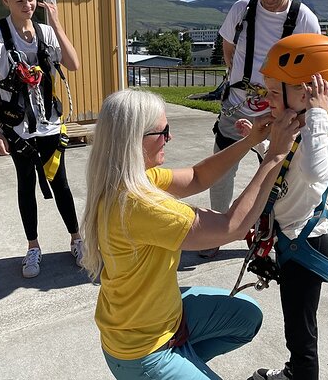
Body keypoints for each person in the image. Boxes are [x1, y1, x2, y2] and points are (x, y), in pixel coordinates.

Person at [80, 88, 301, 379]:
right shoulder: (140, 206)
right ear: (135, 140)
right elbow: (232, 226)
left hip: (161, 319)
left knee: (247, 317)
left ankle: (184, 362)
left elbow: (199, 177)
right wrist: (276, 155)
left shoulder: (135, 179)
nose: (169, 137)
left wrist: (252, 140)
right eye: (163, 131)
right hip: (144, 353)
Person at [201, 0, 321, 258]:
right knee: (222, 169)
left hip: (280, 113)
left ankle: (266, 236)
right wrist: (241, 81)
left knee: (276, 176)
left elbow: (314, 69)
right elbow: (229, 48)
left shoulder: (305, 19)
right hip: (238, 106)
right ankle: (215, 233)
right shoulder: (242, 9)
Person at [239, 33, 328, 380]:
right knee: (293, 324)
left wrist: (317, 113)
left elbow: (313, 169)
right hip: (289, 241)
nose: (266, 98)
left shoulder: (322, 136)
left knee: (302, 332)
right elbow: (285, 166)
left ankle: (301, 373)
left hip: (306, 245)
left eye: (273, 91)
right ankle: (294, 371)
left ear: (304, 93)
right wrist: (258, 141)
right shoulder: (297, 130)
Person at [0, 0, 82, 278]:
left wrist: (56, 23)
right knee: (26, 184)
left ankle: (77, 240)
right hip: (17, 128)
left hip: (49, 124)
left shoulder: (44, 32)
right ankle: (33, 247)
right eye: (20, 0)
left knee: (60, 183)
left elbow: (74, 64)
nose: (27, 6)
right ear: (6, 1)